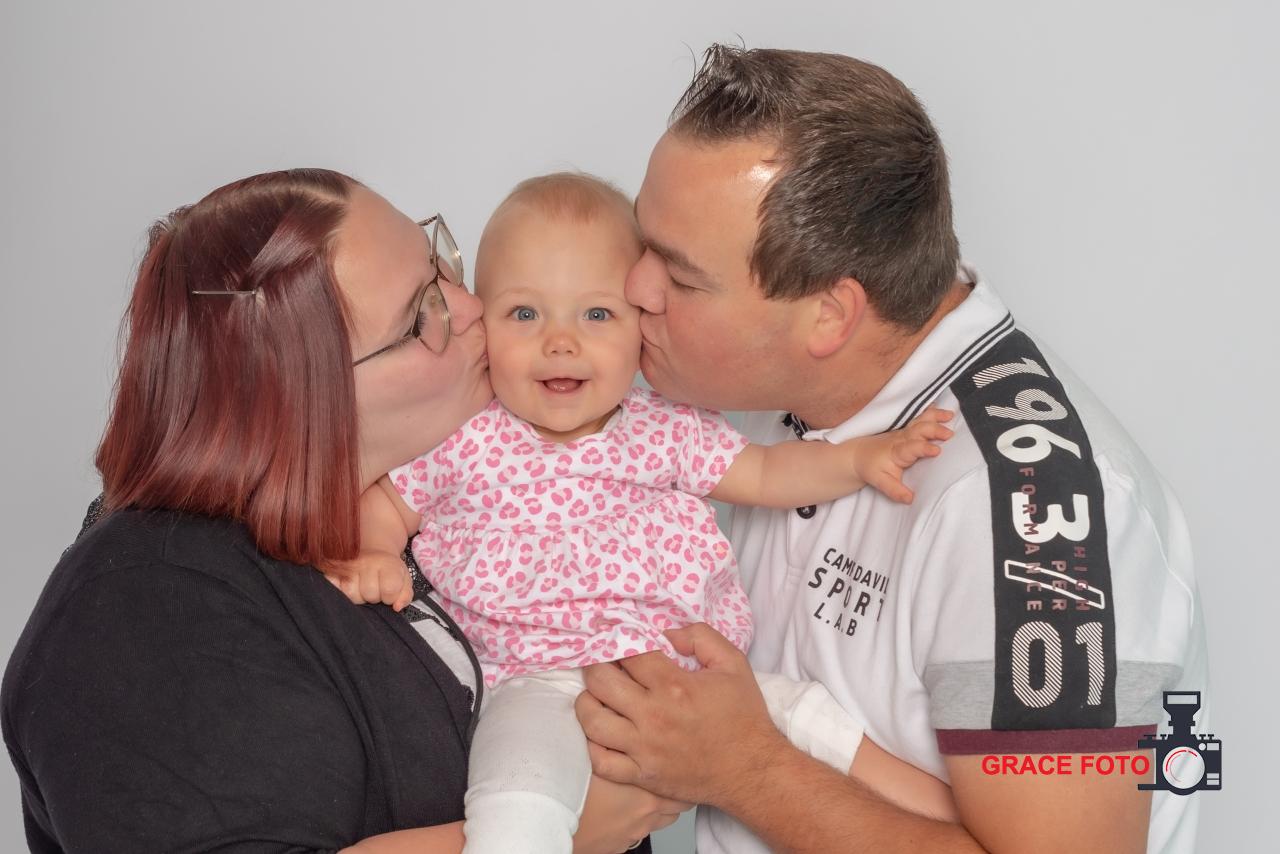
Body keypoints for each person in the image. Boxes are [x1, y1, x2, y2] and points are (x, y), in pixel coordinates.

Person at [575, 46, 1210, 853]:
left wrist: (742, 769)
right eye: (643, 241)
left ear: (831, 316)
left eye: (680, 275)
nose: (633, 288)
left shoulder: (1028, 514)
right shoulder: (766, 388)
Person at [0, 168, 687, 854]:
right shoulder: (143, 606)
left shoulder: (441, 502)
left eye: (441, 263)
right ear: (303, 396)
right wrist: (566, 832)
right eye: (422, 314)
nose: (471, 306)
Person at [329, 172, 959, 854]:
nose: (561, 342)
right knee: (516, 802)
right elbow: (387, 502)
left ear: (641, 329)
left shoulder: (666, 426)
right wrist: (375, 553)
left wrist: (858, 460)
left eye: (596, 315)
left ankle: (960, 820)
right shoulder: (467, 435)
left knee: (805, 718)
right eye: (525, 314)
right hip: (534, 682)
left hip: (681, 677)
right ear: (482, 324)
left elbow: (767, 472)